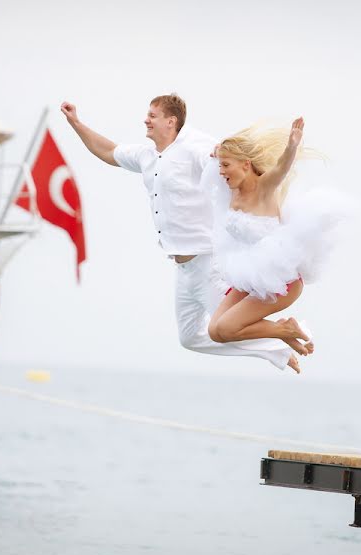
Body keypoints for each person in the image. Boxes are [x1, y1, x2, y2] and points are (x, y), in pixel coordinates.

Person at [60, 95, 307, 373]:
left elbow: (227, 162)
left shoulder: (196, 148)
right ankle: (277, 346)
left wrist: (225, 157)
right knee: (189, 338)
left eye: (152, 115)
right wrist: (76, 124)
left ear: (171, 121)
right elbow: (108, 151)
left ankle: (280, 342)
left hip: (208, 263)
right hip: (182, 266)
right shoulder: (146, 156)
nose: (146, 120)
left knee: (226, 327)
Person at [206, 117, 352, 372]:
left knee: (227, 328)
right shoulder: (232, 189)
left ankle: (285, 329)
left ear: (246, 165)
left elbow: (282, 168)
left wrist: (292, 146)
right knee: (215, 332)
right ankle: (283, 332)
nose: (221, 172)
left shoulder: (263, 188)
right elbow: (219, 159)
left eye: (226, 166)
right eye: (221, 166)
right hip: (249, 276)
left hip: (280, 281)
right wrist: (219, 151)